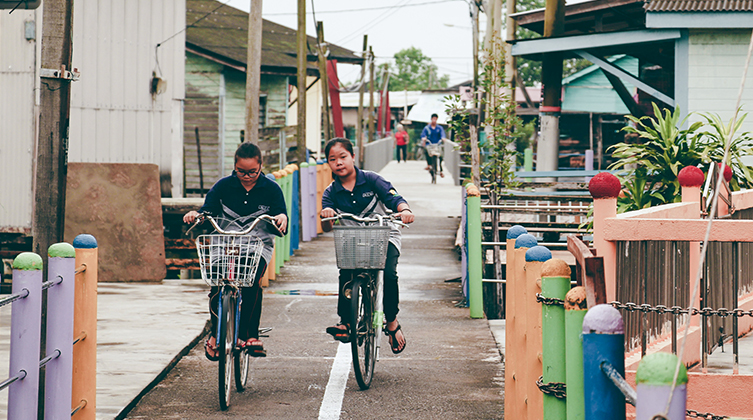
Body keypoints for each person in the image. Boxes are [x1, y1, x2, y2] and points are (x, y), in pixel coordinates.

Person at [184, 142, 288, 360]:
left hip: (256, 245)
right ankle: (216, 332)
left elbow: (281, 215)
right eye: (241, 172)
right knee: (216, 286)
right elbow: (207, 211)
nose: (247, 176)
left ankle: (249, 335)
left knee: (251, 284)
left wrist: (281, 218)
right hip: (224, 244)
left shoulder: (271, 189)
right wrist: (197, 215)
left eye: (253, 172)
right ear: (234, 167)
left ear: (261, 167)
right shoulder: (223, 187)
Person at [320, 137, 414, 354]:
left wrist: (405, 210)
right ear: (329, 164)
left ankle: (391, 322)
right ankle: (346, 321)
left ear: (353, 157)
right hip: (353, 240)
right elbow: (326, 225)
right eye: (333, 159)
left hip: (384, 236)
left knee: (389, 275)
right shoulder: (331, 192)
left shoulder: (372, 180)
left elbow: (394, 198)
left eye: (343, 157)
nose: (339, 163)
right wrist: (327, 214)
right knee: (346, 273)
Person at [420, 113, 447, 177]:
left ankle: (440, 170)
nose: (434, 120)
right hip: (429, 144)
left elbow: (442, 134)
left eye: (435, 119)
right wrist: (424, 138)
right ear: (431, 119)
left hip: (437, 144)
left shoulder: (439, 128)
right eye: (433, 119)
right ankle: (429, 165)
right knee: (426, 151)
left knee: (440, 155)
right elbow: (423, 135)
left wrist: (443, 138)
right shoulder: (427, 128)